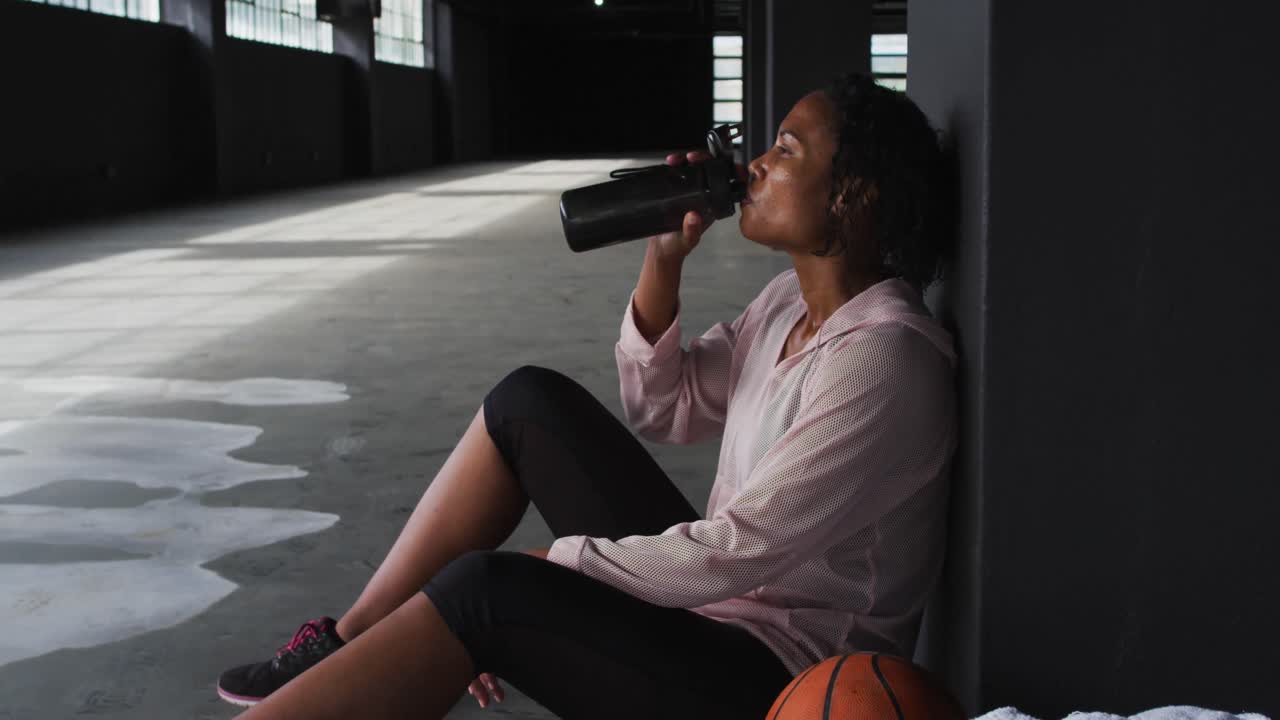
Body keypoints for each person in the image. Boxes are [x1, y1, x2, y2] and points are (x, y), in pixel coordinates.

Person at [217, 70, 957, 720]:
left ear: (855, 197)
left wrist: (558, 570)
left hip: (774, 681)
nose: (756, 164)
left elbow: (740, 548)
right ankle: (341, 645)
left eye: (787, 151)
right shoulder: (785, 306)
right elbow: (663, 409)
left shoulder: (883, 358)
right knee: (527, 405)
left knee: (486, 590)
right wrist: (664, 260)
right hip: (722, 612)